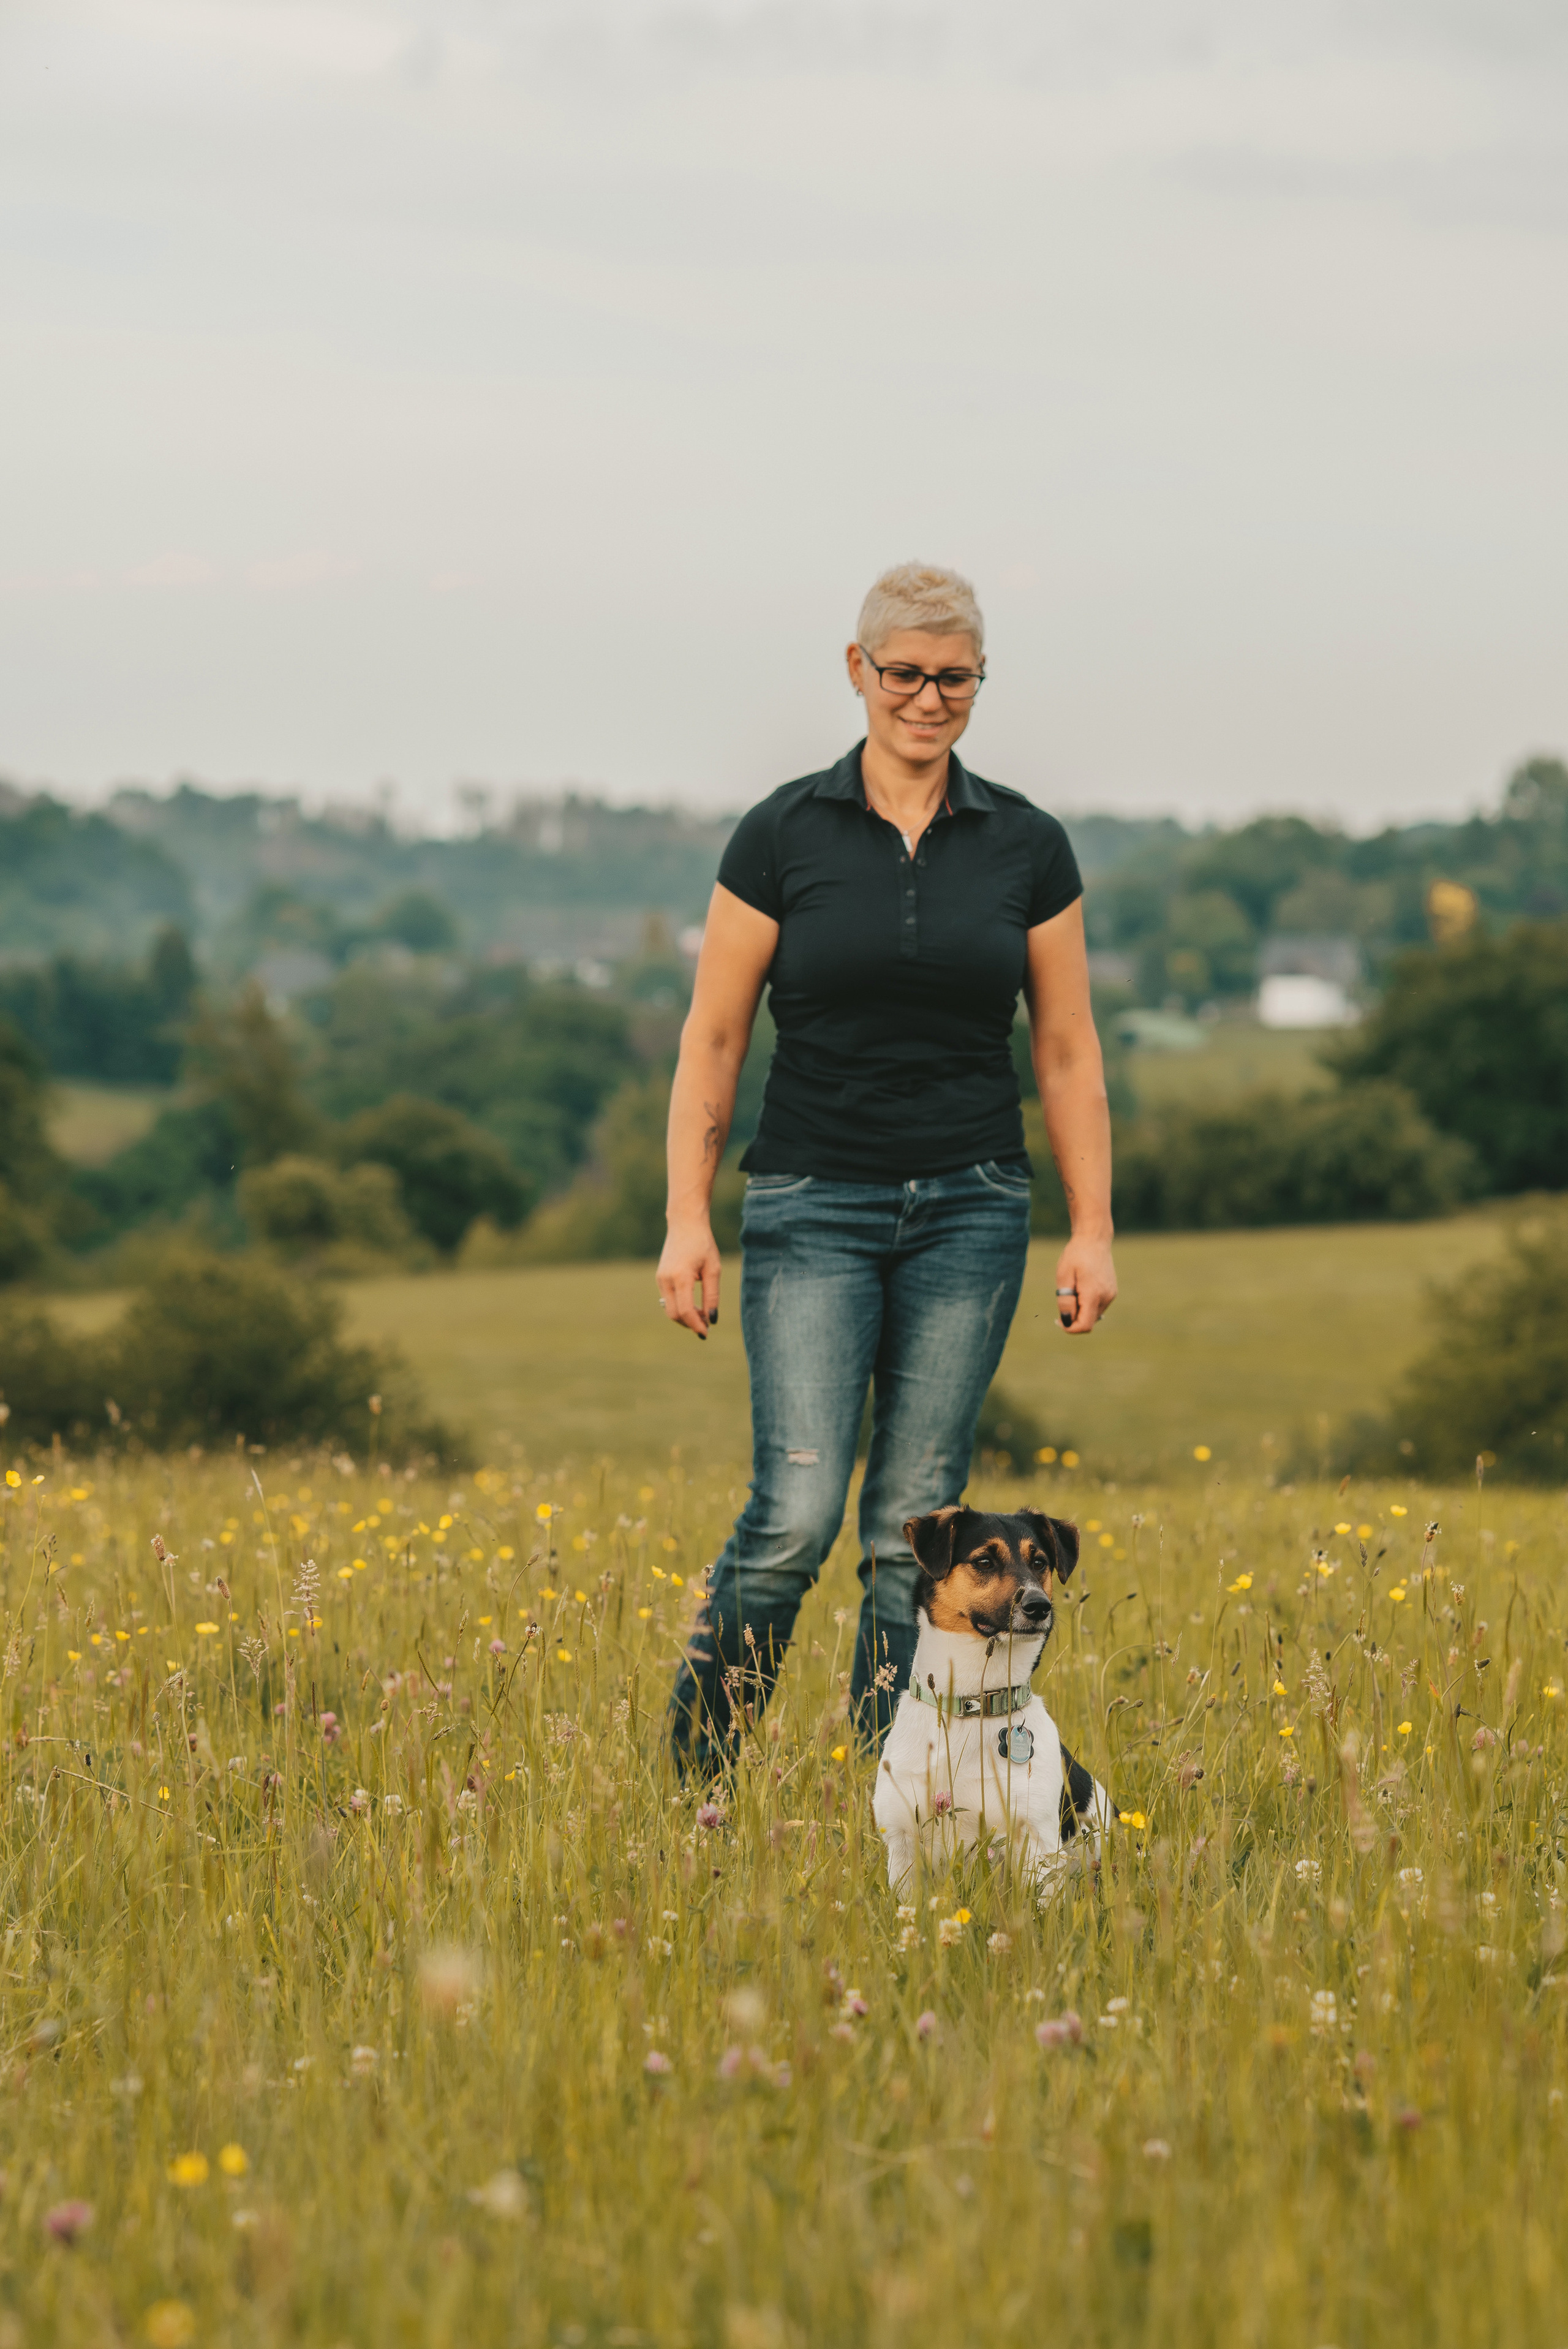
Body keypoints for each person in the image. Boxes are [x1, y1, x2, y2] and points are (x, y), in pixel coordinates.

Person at [658, 561, 1115, 1774]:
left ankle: (889, 1787)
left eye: (953, 678)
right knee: (791, 1521)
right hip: (812, 1200)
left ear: (980, 682)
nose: (926, 698)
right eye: (903, 673)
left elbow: (1067, 1051)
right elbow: (714, 1038)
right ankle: (692, 1782)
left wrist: (1091, 1230)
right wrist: (686, 1218)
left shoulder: (1027, 844)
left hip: (972, 1209)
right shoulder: (781, 835)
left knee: (910, 1530)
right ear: (857, 671)